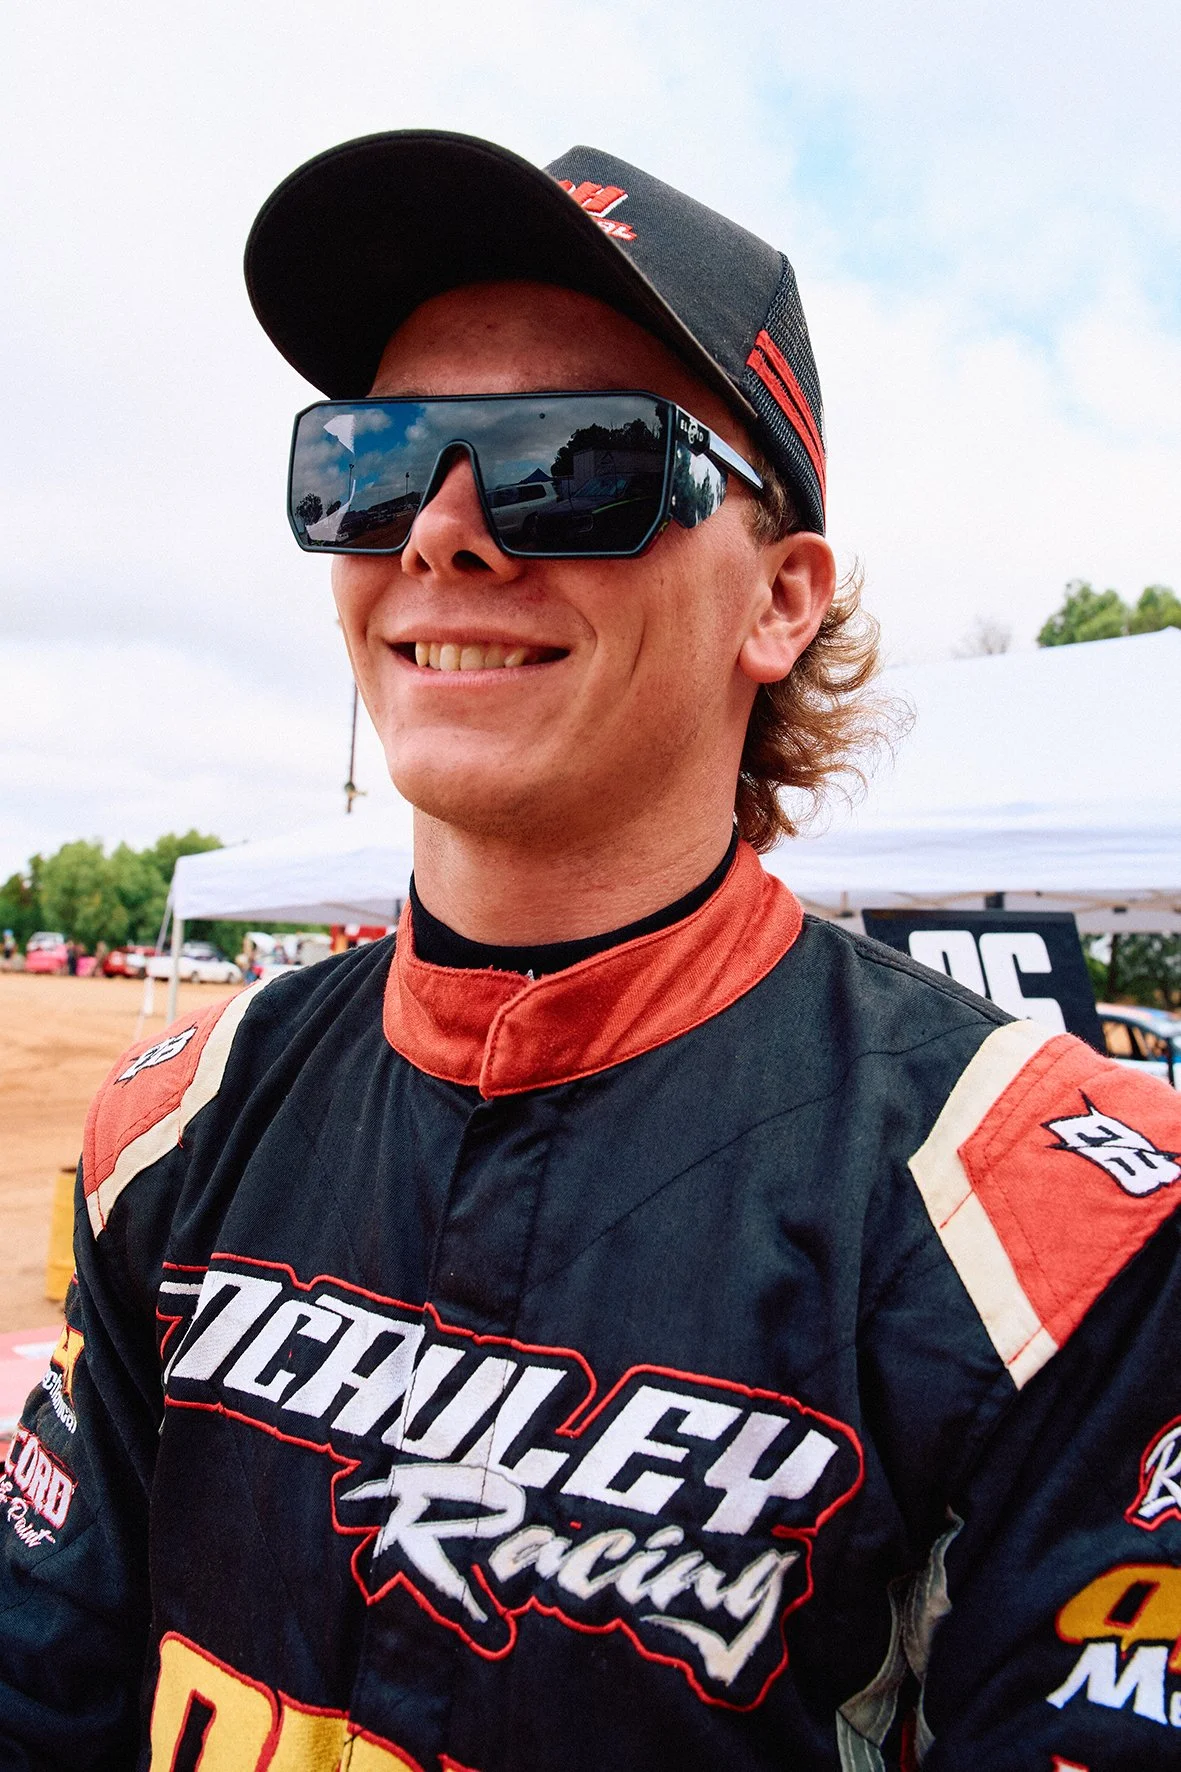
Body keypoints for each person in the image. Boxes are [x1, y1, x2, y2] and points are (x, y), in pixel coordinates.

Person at [1, 133, 1179, 1772]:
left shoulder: (1055, 1222)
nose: (443, 534)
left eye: (575, 461)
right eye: (370, 464)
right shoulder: (173, 1124)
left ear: (780, 601)